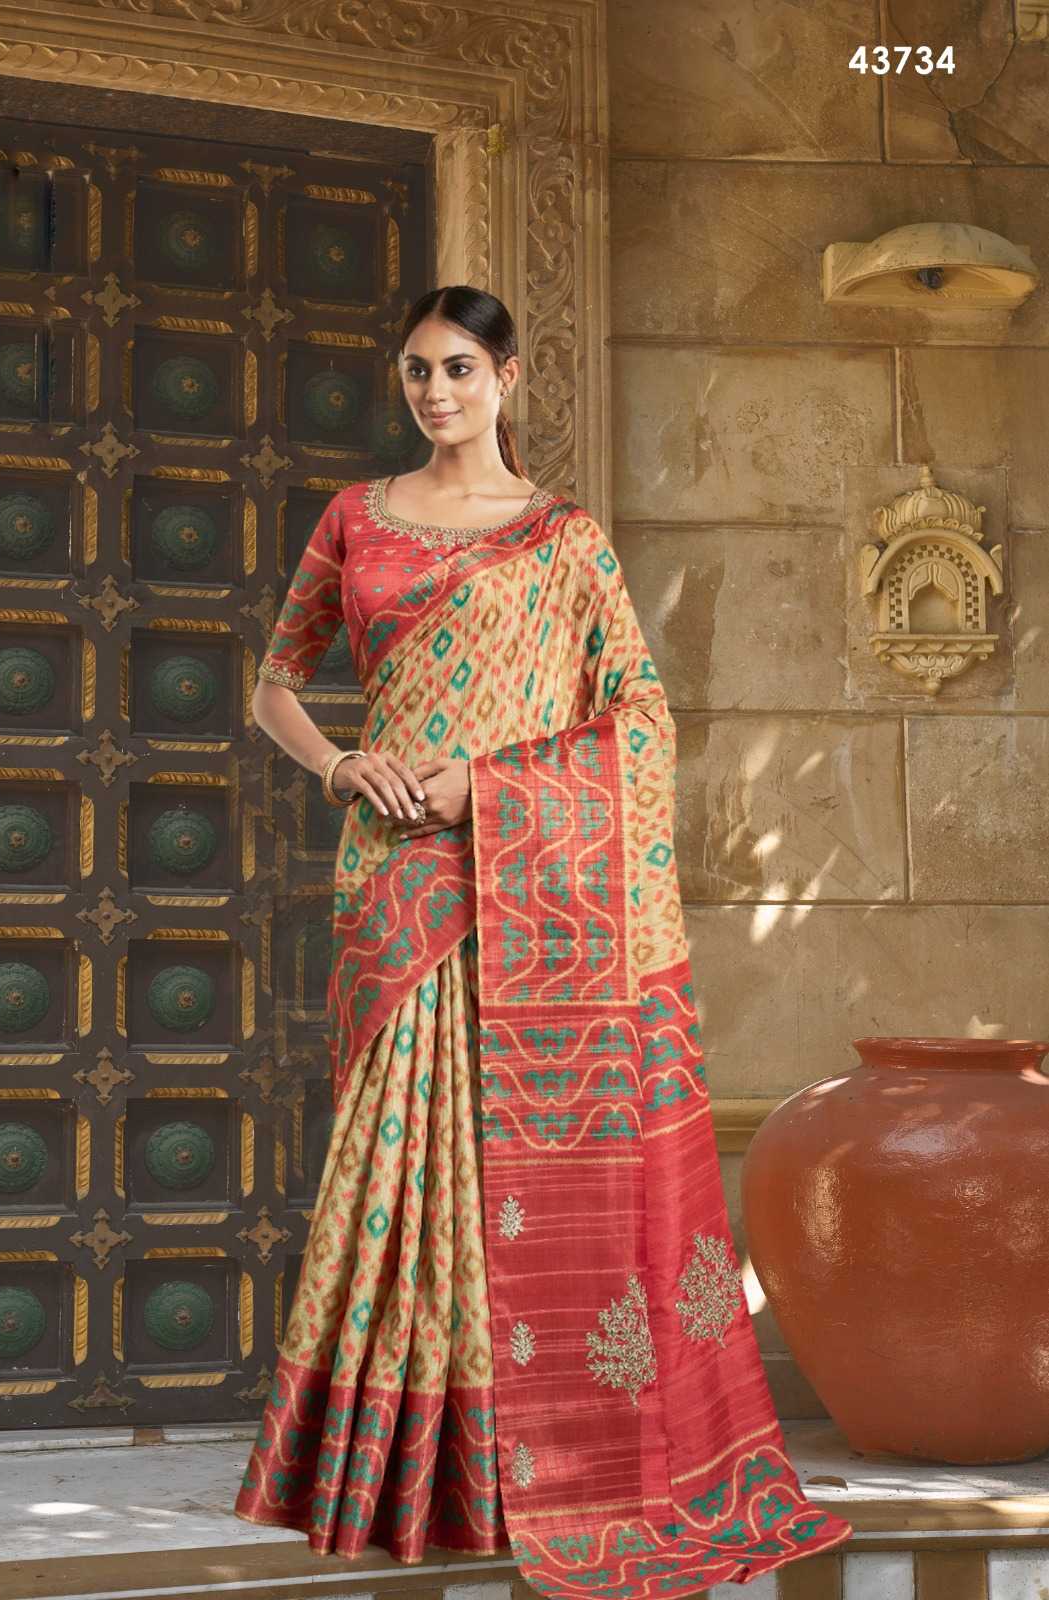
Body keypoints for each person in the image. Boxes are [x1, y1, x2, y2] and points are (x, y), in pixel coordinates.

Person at [234, 284, 853, 1597]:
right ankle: (403, 1465)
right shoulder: (354, 518)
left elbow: (640, 719)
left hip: (523, 876)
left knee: (508, 1157)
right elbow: (272, 686)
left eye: (458, 368)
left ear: (506, 377)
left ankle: (537, 1463)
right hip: (397, 877)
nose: (435, 392)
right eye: (417, 371)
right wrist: (340, 765)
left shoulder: (564, 540)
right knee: (404, 1158)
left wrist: (487, 785)